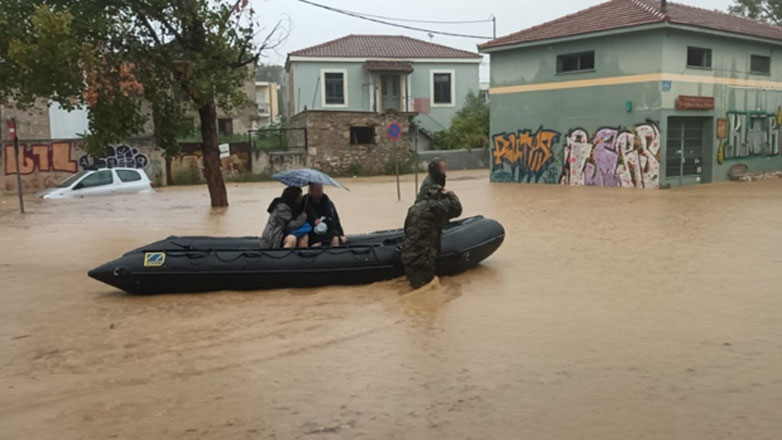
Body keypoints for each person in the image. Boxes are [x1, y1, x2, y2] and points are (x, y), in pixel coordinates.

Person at [401, 183, 462, 289]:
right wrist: (450, 194)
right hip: (423, 259)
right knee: (426, 292)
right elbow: (457, 209)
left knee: (414, 288)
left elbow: (406, 230)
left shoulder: (413, 208)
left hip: (407, 257)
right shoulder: (436, 207)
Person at [303, 183, 347, 247]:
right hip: (311, 232)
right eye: (316, 190)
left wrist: (340, 234)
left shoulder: (328, 203)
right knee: (316, 243)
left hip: (327, 230)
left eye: (320, 190)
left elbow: (335, 220)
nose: (319, 192)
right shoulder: (304, 203)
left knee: (335, 238)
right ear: (310, 190)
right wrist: (312, 221)